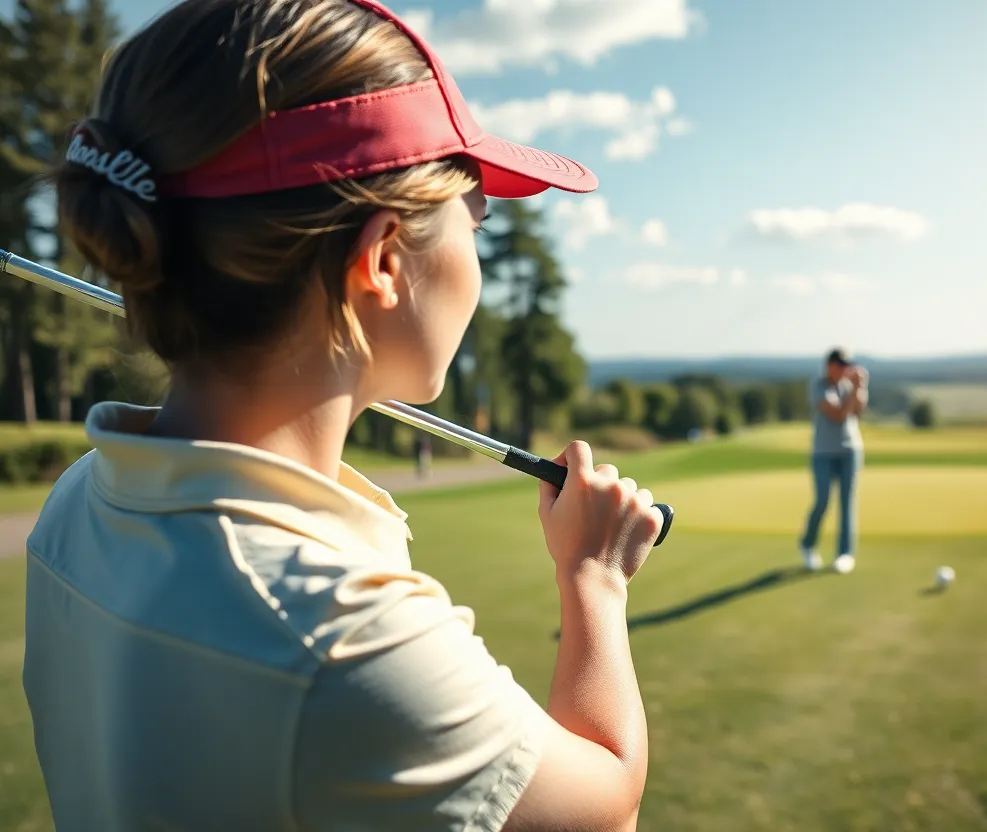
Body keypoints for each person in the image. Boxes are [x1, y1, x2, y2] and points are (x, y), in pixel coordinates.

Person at [22, 1, 664, 829]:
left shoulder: (80, 500)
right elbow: (607, 805)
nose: (478, 240)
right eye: (478, 215)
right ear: (385, 257)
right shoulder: (346, 636)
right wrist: (595, 579)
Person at [799, 347, 868, 574]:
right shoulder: (818, 385)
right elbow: (838, 414)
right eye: (840, 365)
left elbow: (858, 411)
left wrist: (860, 388)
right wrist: (853, 391)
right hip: (823, 453)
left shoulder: (849, 386)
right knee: (822, 500)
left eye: (847, 366)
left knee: (847, 503)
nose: (844, 370)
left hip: (850, 451)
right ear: (829, 365)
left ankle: (845, 554)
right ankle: (808, 544)